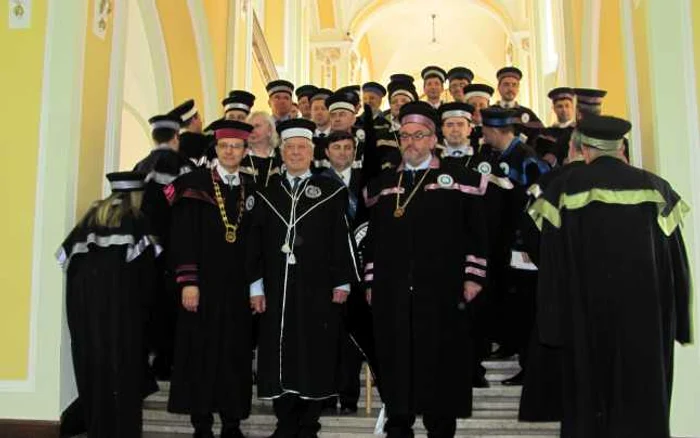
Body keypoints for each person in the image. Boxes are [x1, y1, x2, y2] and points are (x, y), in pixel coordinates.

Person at [528, 114, 691, 438]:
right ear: (621, 148)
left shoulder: (563, 190)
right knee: (642, 406)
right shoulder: (656, 189)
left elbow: (551, 263)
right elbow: (677, 265)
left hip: (583, 322)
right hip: (645, 325)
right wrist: (680, 324)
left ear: (583, 149)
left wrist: (551, 326)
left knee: (588, 406)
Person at [363, 101, 489, 438]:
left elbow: (477, 234)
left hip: (443, 290)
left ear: (434, 139)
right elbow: (372, 239)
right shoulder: (384, 185)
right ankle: (399, 423)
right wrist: (371, 282)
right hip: (393, 290)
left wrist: (473, 276)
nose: (411, 143)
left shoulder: (461, 181)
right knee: (396, 356)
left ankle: (440, 426)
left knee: (442, 359)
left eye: (419, 136)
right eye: (405, 136)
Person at [246, 118, 360, 438]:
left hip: (318, 289)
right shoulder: (267, 193)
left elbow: (341, 238)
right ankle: (285, 421)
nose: (295, 153)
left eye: (302, 148)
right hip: (275, 289)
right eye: (290, 148)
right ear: (281, 152)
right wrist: (254, 286)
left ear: (312, 152)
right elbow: (253, 245)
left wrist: (342, 282)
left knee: (316, 349)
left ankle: (310, 422)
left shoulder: (329, 191)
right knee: (277, 349)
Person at [165, 120, 256, 438]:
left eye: (236, 146)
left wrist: (255, 285)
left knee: (234, 355)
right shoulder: (194, 184)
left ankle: (232, 423)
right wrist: (188, 281)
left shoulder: (251, 187)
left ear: (245, 151)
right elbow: (182, 236)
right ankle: (201, 423)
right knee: (200, 354)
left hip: (237, 289)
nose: (230, 151)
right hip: (201, 286)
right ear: (215, 149)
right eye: (224, 146)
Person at [57, 171, 160, 438]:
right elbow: (148, 277)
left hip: (86, 316)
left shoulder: (87, 223)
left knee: (94, 370)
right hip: (124, 317)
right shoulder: (137, 221)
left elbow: (67, 265)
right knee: (124, 375)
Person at [479, 107, 548, 385]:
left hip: (525, 247)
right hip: (504, 244)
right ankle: (509, 344)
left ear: (494, 131)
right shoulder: (496, 156)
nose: (482, 136)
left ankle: (529, 366)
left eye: (484, 131)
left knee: (526, 306)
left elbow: (540, 202)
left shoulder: (528, 159)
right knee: (510, 301)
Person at [134, 112, 194, 381]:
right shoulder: (183, 165)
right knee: (174, 307)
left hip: (146, 249)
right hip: (176, 248)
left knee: (150, 302)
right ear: (176, 137)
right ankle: (169, 361)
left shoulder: (140, 165)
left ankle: (150, 360)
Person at [243, 111, 282, 188]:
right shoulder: (241, 159)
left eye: (257, 126)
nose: (252, 130)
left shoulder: (282, 157)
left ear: (270, 130)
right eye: (249, 127)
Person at [171, 99, 210, 167]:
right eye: (199, 118)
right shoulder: (206, 142)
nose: (201, 122)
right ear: (193, 120)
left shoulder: (174, 145)